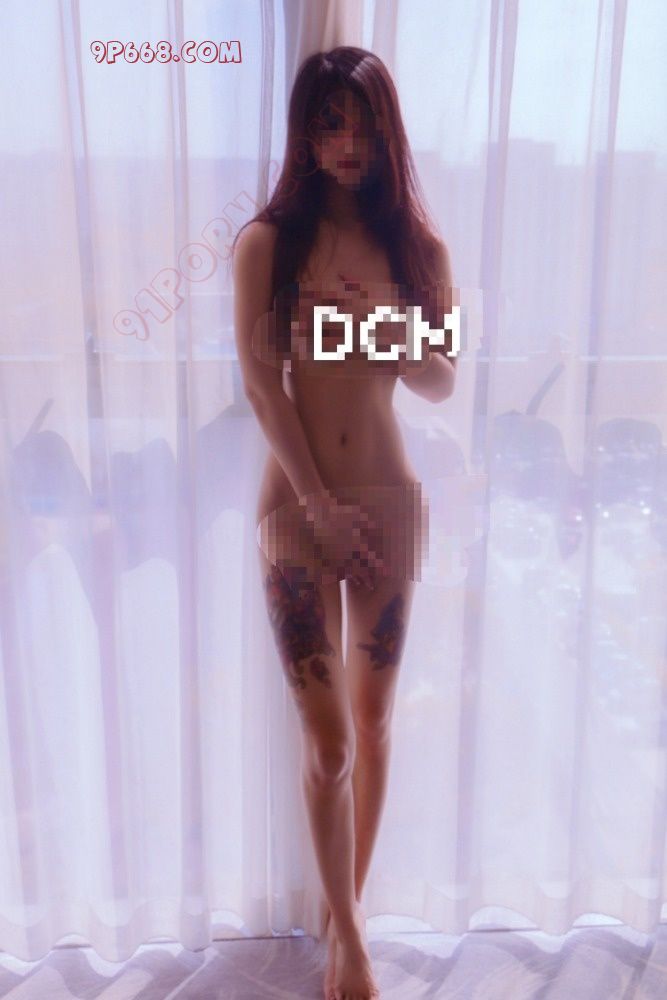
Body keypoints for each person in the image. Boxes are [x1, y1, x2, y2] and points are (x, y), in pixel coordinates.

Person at [232, 46, 457, 1000]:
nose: (346, 140)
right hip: (297, 508)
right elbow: (260, 385)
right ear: (305, 133)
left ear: (384, 130)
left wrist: (381, 327)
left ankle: (344, 930)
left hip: (389, 507)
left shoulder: (418, 251)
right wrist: (317, 506)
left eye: (361, 121)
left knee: (372, 723)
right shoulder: (267, 245)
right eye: (328, 121)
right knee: (326, 745)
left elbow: (440, 381)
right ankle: (351, 939)